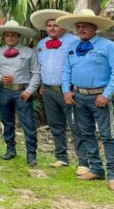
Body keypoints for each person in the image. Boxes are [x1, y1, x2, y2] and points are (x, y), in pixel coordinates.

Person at [58, 9, 114, 190]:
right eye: (78, 26)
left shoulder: (108, 46)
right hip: (78, 98)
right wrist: (66, 91)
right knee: (86, 133)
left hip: (100, 98)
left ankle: (112, 174)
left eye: (85, 26)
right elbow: (66, 70)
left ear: (95, 28)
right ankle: (96, 168)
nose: (81, 29)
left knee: (108, 136)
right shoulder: (72, 47)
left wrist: (106, 94)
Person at [31, 9, 86, 171]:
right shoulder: (41, 44)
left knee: (76, 125)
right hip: (48, 91)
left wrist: (73, 87)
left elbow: (80, 64)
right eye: (49, 26)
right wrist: (41, 84)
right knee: (55, 125)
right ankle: (61, 157)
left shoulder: (75, 41)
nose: (52, 28)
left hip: (69, 91)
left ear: (63, 26)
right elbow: (41, 67)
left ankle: (83, 161)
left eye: (56, 25)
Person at [0, 20, 40, 166]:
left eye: (13, 35)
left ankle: (31, 154)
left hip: (22, 92)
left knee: (28, 123)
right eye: (7, 35)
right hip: (4, 91)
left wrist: (29, 90)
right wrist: (0, 78)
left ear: (19, 36)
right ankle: (10, 149)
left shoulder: (30, 52)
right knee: (7, 121)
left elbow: (36, 73)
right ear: (4, 37)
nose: (10, 38)